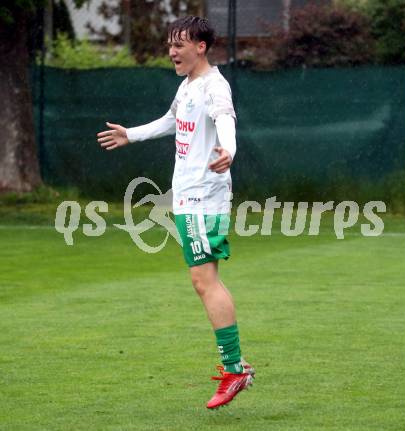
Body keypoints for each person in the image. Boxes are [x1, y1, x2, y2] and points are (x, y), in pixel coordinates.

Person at [97, 15, 254, 409]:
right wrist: (131, 134)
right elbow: (171, 121)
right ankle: (236, 367)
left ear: (201, 46)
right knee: (202, 280)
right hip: (187, 196)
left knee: (204, 280)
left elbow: (226, 121)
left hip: (204, 195)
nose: (172, 51)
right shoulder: (187, 87)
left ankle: (235, 369)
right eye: (170, 44)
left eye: (180, 44)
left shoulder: (215, 87)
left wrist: (228, 151)